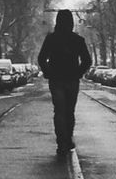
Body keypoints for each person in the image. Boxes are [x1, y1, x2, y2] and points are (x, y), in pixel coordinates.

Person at [37, 9, 92, 157]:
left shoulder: (51, 39)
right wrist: (78, 72)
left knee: (59, 111)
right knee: (69, 111)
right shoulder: (77, 40)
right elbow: (87, 60)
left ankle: (61, 141)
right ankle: (68, 138)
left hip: (56, 79)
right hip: (72, 79)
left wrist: (48, 72)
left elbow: (42, 58)